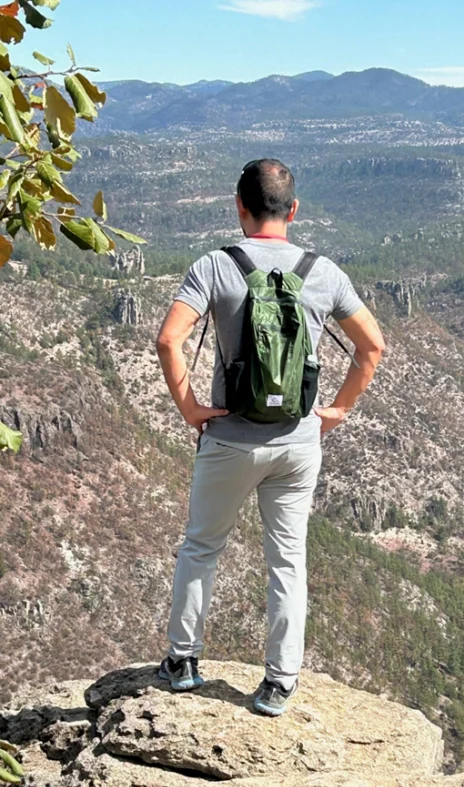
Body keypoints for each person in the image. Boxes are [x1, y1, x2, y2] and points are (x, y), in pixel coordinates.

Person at [155, 158, 386, 716]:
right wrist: (337, 410)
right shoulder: (323, 271)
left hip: (230, 438)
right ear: (294, 209)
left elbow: (169, 341)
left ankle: (183, 661)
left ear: (239, 207)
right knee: (287, 560)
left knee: (202, 547)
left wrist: (192, 409)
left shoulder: (215, 265)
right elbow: (372, 347)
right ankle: (279, 682)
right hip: (299, 442)